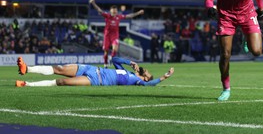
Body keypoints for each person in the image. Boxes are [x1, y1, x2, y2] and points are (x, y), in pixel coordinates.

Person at [15, 56, 174, 87]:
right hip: (92, 69)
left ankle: (27, 84)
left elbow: (151, 84)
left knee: (63, 82)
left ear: (145, 79)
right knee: (60, 69)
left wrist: (164, 77)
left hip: (96, 80)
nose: (145, 71)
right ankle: (27, 68)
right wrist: (130, 62)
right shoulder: (128, 73)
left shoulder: (136, 81)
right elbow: (114, 60)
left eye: (147, 73)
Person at [89, 0, 144, 68]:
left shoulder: (119, 17)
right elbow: (99, 10)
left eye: (115, 11)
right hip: (107, 35)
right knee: (106, 51)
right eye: (113, 11)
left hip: (114, 35)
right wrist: (93, 3)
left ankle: (111, 59)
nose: (114, 12)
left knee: (115, 49)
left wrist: (138, 13)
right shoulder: (107, 16)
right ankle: (105, 63)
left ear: (117, 11)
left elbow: (129, 16)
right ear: (110, 11)